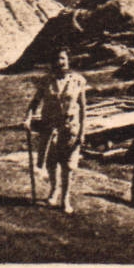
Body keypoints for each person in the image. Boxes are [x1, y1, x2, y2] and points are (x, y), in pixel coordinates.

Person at [25, 48, 88, 213]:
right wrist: (28, 118)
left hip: (70, 129)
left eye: (62, 59)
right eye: (56, 60)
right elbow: (34, 103)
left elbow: (83, 108)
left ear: (68, 60)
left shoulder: (78, 81)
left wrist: (82, 132)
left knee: (68, 166)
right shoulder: (46, 81)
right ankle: (54, 191)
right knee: (51, 163)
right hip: (49, 129)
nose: (59, 63)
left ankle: (65, 199)